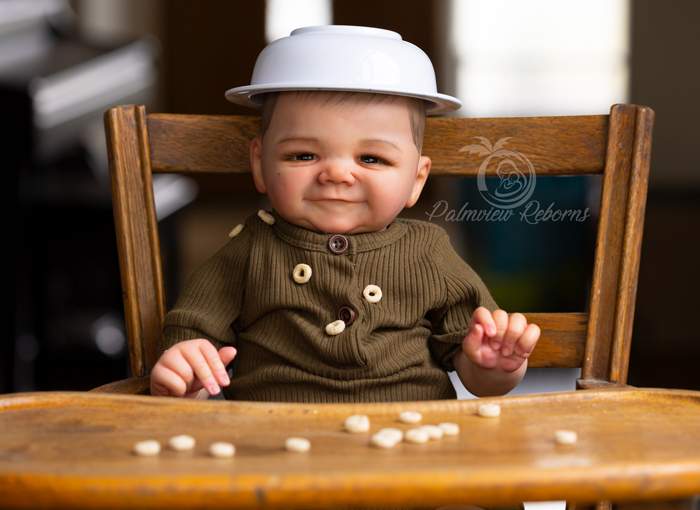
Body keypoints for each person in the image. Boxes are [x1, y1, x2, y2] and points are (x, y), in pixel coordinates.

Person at [149, 25, 541, 401]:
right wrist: (187, 374)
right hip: (272, 440)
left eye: (371, 158)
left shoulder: (429, 253)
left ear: (416, 180)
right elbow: (193, 340)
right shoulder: (250, 250)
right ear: (260, 165)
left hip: (411, 441)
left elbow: (478, 374)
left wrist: (495, 365)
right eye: (303, 155)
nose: (336, 173)